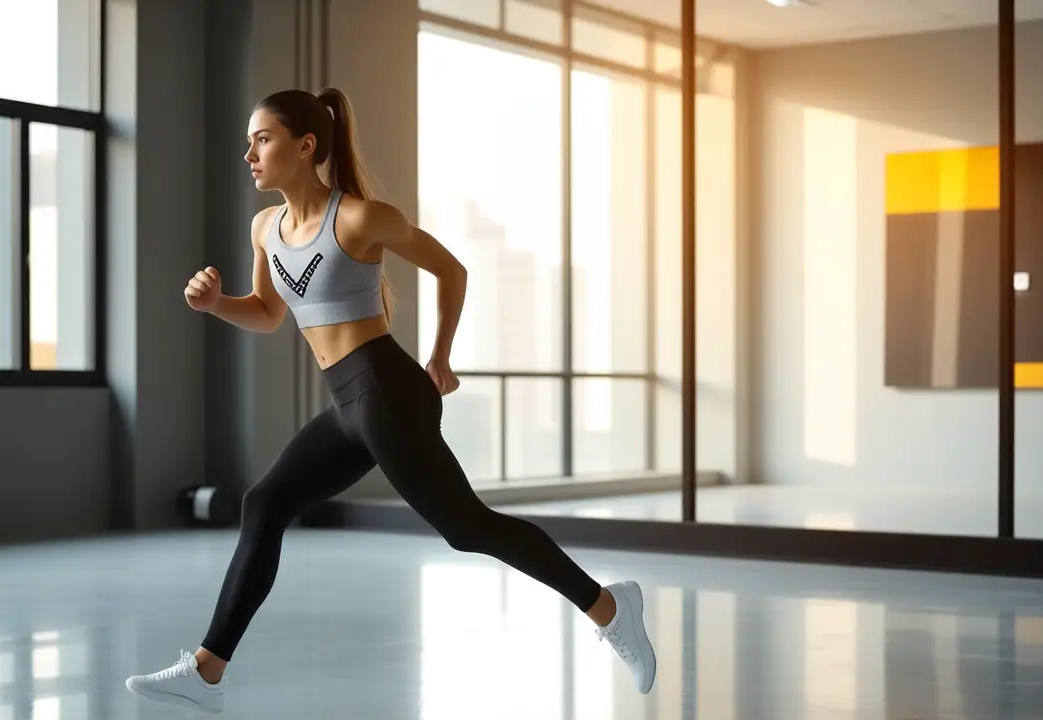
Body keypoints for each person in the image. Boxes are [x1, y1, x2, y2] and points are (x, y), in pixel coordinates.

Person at [123, 87, 657, 714]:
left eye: (262, 139)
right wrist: (217, 304)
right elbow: (268, 313)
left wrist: (440, 356)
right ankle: (207, 672)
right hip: (349, 404)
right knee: (264, 503)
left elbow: (452, 270)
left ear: (306, 145)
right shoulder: (265, 228)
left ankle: (610, 608)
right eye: (249, 142)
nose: (250, 154)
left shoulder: (359, 218)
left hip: (388, 391)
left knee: (467, 528)